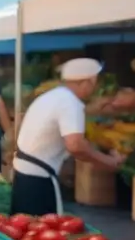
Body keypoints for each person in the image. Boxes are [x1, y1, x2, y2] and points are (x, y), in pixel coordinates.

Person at [11, 57, 124, 215]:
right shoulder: (70, 103)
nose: (95, 87)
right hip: (39, 179)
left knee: (25, 232)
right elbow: (75, 145)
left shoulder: (52, 96)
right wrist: (108, 162)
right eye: (95, 82)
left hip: (23, 174)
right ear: (87, 82)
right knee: (44, 231)